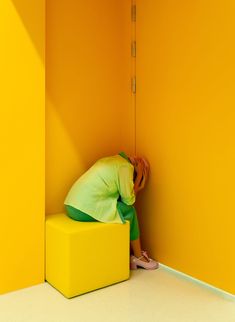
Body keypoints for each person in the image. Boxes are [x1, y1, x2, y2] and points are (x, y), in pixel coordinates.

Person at [64, 151, 159, 270]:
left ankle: (132, 254)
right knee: (130, 212)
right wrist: (140, 178)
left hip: (71, 204)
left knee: (121, 208)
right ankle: (139, 257)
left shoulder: (113, 160)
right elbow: (129, 201)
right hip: (82, 209)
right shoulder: (125, 167)